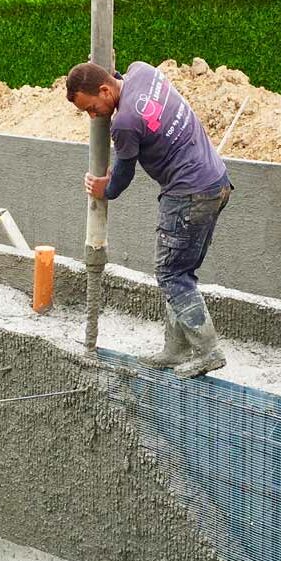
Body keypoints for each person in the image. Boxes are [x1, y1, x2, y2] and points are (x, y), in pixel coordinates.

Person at [67, 60, 232, 378]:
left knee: (171, 275)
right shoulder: (143, 72)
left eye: (91, 107)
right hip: (216, 183)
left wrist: (105, 189)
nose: (93, 116)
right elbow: (118, 77)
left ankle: (208, 352)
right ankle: (176, 349)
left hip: (188, 194)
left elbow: (124, 174)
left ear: (104, 90)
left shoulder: (125, 123)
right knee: (182, 272)